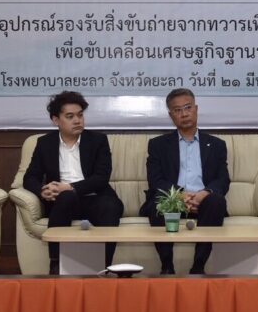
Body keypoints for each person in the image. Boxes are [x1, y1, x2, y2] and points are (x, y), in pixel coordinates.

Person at [23, 91, 124, 274]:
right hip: (64, 202)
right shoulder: (45, 143)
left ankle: (104, 267)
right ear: (56, 120)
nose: (77, 120)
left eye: (80, 115)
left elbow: (101, 177)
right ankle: (55, 264)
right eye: (70, 116)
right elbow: (30, 177)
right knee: (66, 197)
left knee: (110, 206)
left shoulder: (98, 140)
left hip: (95, 197)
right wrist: (42, 190)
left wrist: (70, 186)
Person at [141, 88, 230, 275]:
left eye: (188, 107)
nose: (184, 113)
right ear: (171, 115)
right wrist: (180, 195)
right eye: (177, 110)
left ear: (196, 109)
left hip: (204, 201)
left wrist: (203, 194)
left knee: (217, 201)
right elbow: (155, 180)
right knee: (158, 201)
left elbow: (223, 179)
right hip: (172, 198)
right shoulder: (157, 145)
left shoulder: (216, 145)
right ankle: (167, 266)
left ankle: (198, 267)